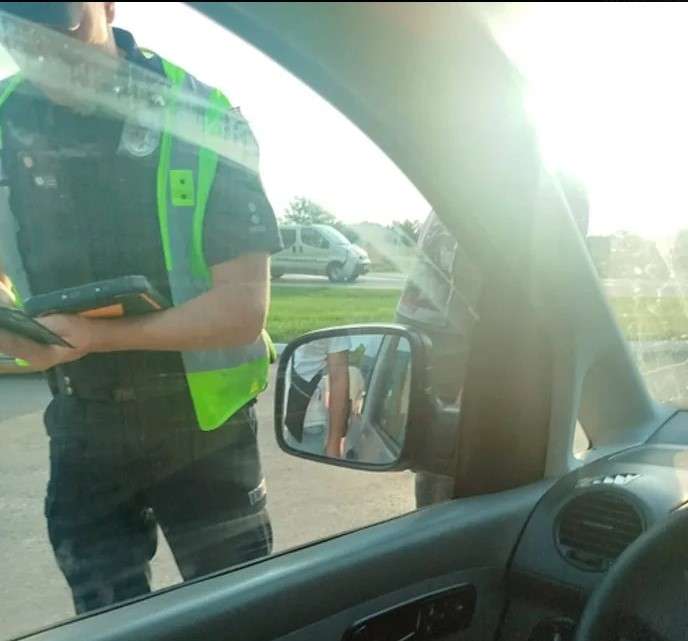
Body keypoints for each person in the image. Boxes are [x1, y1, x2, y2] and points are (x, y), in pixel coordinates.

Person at [0, 2, 282, 614]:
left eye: (65, 22)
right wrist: (12, 332)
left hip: (205, 430)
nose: (45, 48)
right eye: (17, 30)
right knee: (107, 624)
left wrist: (96, 337)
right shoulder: (2, 119)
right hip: (83, 424)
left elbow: (242, 309)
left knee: (241, 618)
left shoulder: (202, 114)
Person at [397, 173, 590, 507]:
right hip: (442, 367)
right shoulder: (456, 183)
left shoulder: (501, 182)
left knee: (452, 494)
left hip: (470, 379)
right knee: (440, 488)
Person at [286, 335, 350, 458]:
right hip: (291, 416)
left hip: (310, 424)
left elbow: (338, 379)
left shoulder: (334, 327)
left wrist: (334, 444)